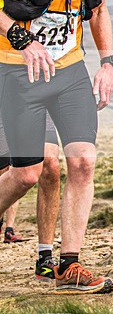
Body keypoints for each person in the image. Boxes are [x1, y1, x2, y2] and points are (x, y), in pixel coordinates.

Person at [0, 0, 113, 294]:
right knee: (27, 174)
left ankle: (69, 266)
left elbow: (97, 8)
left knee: (82, 161)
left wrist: (107, 62)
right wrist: (23, 40)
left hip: (69, 69)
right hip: (18, 71)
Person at [0, 114, 62, 283]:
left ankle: (45, 258)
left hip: (40, 102)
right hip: (6, 103)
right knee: (7, 172)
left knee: (51, 164)